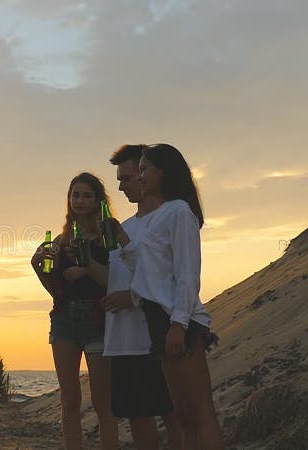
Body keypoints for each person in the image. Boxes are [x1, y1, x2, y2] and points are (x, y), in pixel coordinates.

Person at [112, 143, 224, 449]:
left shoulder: (179, 212)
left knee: (200, 412)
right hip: (158, 321)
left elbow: (188, 273)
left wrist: (179, 324)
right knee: (183, 414)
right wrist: (122, 240)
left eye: (146, 169)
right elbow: (147, 272)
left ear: (165, 171)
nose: (141, 174)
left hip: (180, 320)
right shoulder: (155, 217)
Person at [101, 144, 182, 450]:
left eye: (126, 177)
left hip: (155, 334)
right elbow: (113, 277)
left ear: (147, 173)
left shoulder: (169, 217)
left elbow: (173, 277)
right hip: (122, 338)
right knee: (136, 414)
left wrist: (132, 298)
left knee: (172, 411)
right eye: (118, 179)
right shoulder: (123, 227)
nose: (120, 186)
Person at [31, 172, 119, 450]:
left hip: (98, 319)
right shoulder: (60, 240)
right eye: (75, 195)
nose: (79, 201)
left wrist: (86, 265)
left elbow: (109, 280)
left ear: (97, 200)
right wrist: (38, 266)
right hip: (65, 320)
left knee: (103, 401)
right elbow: (56, 290)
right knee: (69, 401)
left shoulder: (107, 236)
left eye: (86, 195)